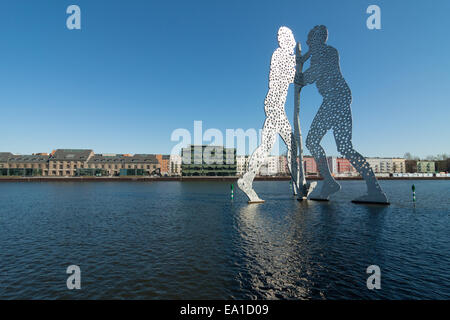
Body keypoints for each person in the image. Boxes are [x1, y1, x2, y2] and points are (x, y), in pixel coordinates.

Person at [295, 25, 388, 203]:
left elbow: (309, 77)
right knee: (345, 147)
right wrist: (303, 58)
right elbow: (310, 66)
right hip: (339, 98)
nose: (307, 43)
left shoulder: (326, 53)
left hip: (334, 99)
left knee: (312, 141)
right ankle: (374, 190)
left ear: (317, 40)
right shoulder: (323, 52)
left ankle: (330, 183)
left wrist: (296, 75)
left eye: (309, 39)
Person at [238, 26, 298, 203]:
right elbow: (292, 77)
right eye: (289, 39)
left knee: (269, 145)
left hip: (276, 106)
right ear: (284, 41)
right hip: (274, 105)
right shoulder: (279, 55)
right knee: (290, 145)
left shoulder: (287, 57)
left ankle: (247, 181)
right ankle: (297, 183)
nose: (292, 42)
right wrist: (299, 63)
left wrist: (298, 62)